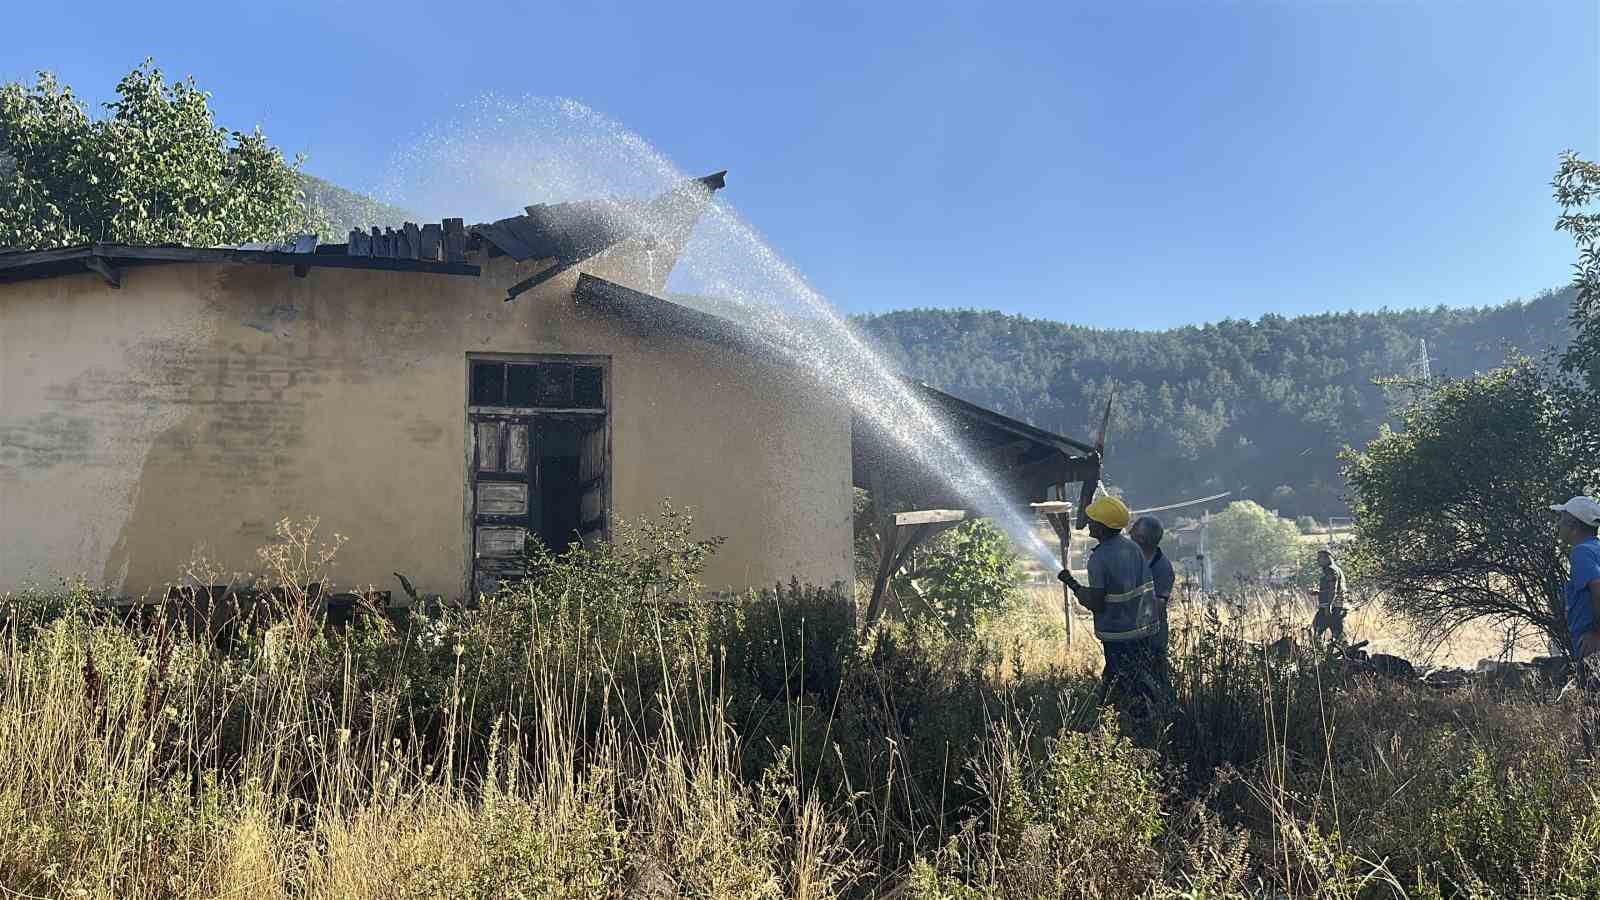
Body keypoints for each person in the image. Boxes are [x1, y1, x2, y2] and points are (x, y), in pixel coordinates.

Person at [1059, 495, 1165, 706]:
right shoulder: (1132, 548)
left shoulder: (1099, 559)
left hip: (1119, 635)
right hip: (1143, 630)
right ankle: (1146, 713)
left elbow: (1097, 603)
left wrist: (1074, 585)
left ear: (1102, 527)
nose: (1089, 523)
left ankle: (1130, 717)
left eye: (1093, 520)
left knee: (1122, 685)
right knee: (1139, 680)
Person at [1551, 496, 1600, 756]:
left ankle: (1591, 763)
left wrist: (1596, 633)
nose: (1558, 524)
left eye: (1562, 519)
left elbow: (1597, 588)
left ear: (1575, 525)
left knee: (1591, 706)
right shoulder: (1596, 548)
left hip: (1592, 642)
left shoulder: (1581, 552)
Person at [1129, 515, 1173, 692]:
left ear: (1141, 539)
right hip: (1134, 634)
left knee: (1154, 683)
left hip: (1151, 637)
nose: (1129, 535)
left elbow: (1156, 606)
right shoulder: (1134, 559)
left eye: (1133, 533)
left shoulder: (1162, 567)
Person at [1309, 549, 1348, 643]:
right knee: (1337, 634)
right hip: (1337, 606)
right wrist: (1319, 592)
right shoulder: (1337, 569)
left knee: (1316, 630)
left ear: (1327, 558)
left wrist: (1328, 606)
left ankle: (1319, 650)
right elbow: (1334, 589)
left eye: (1320, 558)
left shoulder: (1330, 569)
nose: (1317, 560)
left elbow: (1333, 589)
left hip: (1331, 607)